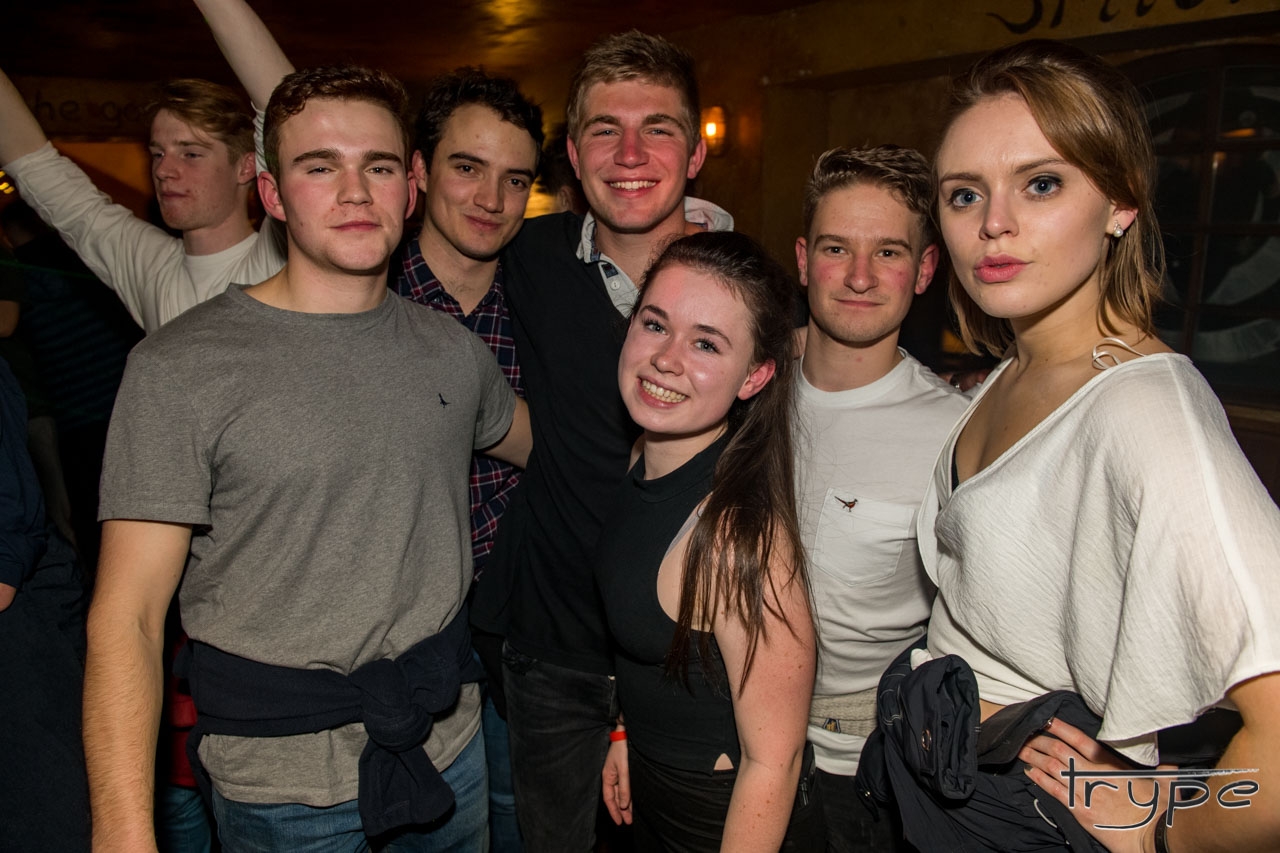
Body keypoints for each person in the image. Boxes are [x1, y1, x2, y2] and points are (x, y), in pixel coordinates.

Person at [85, 61, 531, 852]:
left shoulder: (454, 353)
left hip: (449, 748)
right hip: (281, 786)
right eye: (320, 168)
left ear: (410, 187)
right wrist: (122, 831)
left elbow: (552, 448)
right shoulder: (180, 368)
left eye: (378, 167)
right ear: (272, 193)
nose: (355, 192)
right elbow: (129, 617)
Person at [863, 39, 1280, 853]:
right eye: (964, 194)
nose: (994, 224)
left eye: (1042, 183)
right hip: (945, 781)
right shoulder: (1016, 368)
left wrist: (1164, 830)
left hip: (1028, 817)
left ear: (1121, 203)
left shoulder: (1148, 412)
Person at [192, 4, 543, 848]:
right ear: (421, 176)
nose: (490, 198)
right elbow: (315, 124)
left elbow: (575, 448)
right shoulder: (348, 291)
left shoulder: (537, 295)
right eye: (467, 167)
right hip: (307, 722)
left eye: (515, 179)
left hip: (492, 656)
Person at [469, 31, 733, 851]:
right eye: (604, 130)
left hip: (685, 658)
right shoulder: (527, 257)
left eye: (658, 128)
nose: (630, 153)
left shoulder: (744, 286)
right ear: (575, 158)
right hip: (553, 653)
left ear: (695, 154)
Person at [595, 230, 815, 852]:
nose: (666, 359)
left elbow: (774, 760)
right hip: (651, 789)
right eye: (654, 324)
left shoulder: (737, 538)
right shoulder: (644, 454)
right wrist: (624, 731)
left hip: (716, 820)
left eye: (706, 343)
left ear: (755, 376)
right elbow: (651, 647)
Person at [792, 146, 969, 852]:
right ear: (804, 259)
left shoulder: (954, 437)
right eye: (837, 248)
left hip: (859, 773)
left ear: (923, 271)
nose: (860, 276)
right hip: (717, 737)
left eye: (888, 252)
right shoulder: (740, 387)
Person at [0, 68, 285, 333]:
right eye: (158, 154)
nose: (162, 170)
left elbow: (289, 116)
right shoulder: (150, 265)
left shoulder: (281, 258)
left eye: (191, 154)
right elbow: (35, 166)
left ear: (246, 167)